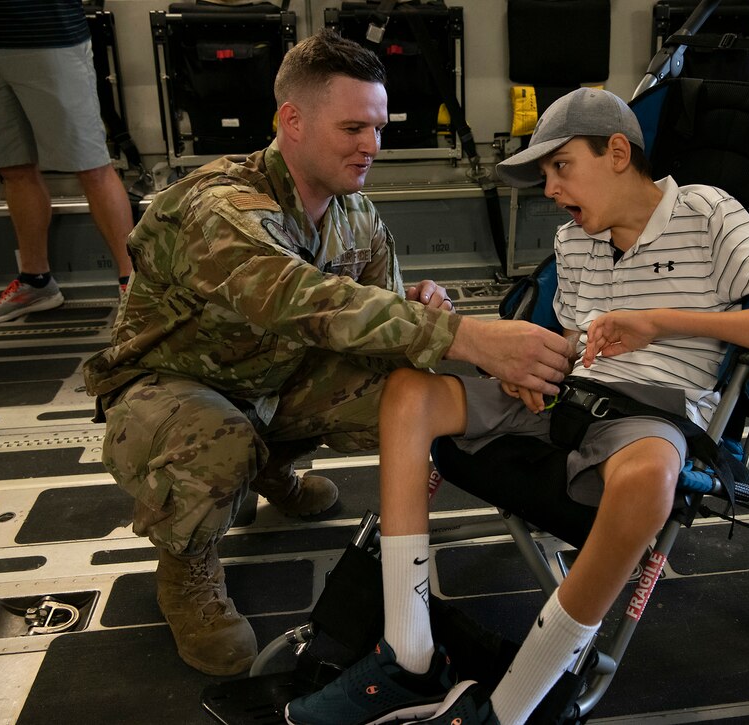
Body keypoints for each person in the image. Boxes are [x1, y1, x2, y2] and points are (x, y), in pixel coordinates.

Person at [285, 87, 749, 724]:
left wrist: (657, 322)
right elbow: (574, 341)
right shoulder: (576, 242)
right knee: (410, 390)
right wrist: (525, 364)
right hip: (566, 395)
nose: (549, 189)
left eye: (560, 166)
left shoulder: (708, 212)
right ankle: (408, 653)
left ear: (618, 152)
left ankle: (513, 708)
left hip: (653, 409)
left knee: (652, 476)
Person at [81, 29, 569, 678]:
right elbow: (289, 297)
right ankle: (186, 569)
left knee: (407, 391)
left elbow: (376, 326)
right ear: (293, 121)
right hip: (169, 387)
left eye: (378, 127)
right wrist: (471, 337)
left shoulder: (356, 216)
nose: (371, 145)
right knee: (219, 436)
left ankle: (267, 465)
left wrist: (421, 310)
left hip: (272, 385)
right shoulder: (220, 203)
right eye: (352, 128)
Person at [0, 0, 135, 324]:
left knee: (92, 166)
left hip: (49, 38)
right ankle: (36, 282)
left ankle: (135, 287)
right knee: (12, 168)